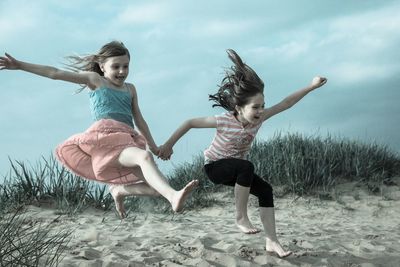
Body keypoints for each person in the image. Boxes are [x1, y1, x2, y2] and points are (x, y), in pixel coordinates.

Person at [158, 49, 327, 257]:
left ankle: (272, 241)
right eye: (256, 107)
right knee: (246, 166)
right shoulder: (224, 120)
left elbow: (286, 103)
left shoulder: (261, 118)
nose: (261, 111)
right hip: (214, 167)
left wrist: (311, 86)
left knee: (265, 190)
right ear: (239, 108)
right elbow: (190, 122)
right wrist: (168, 145)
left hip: (237, 172)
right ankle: (240, 218)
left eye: (263, 106)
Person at [0, 41, 198, 218]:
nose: (122, 71)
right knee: (144, 159)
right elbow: (55, 73)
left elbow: (139, 119)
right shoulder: (96, 80)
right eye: (116, 67)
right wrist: (19, 65)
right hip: (105, 142)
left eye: (126, 66)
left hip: (127, 141)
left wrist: (154, 146)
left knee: (155, 188)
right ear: (102, 66)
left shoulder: (130, 89)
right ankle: (173, 197)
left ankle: (119, 191)